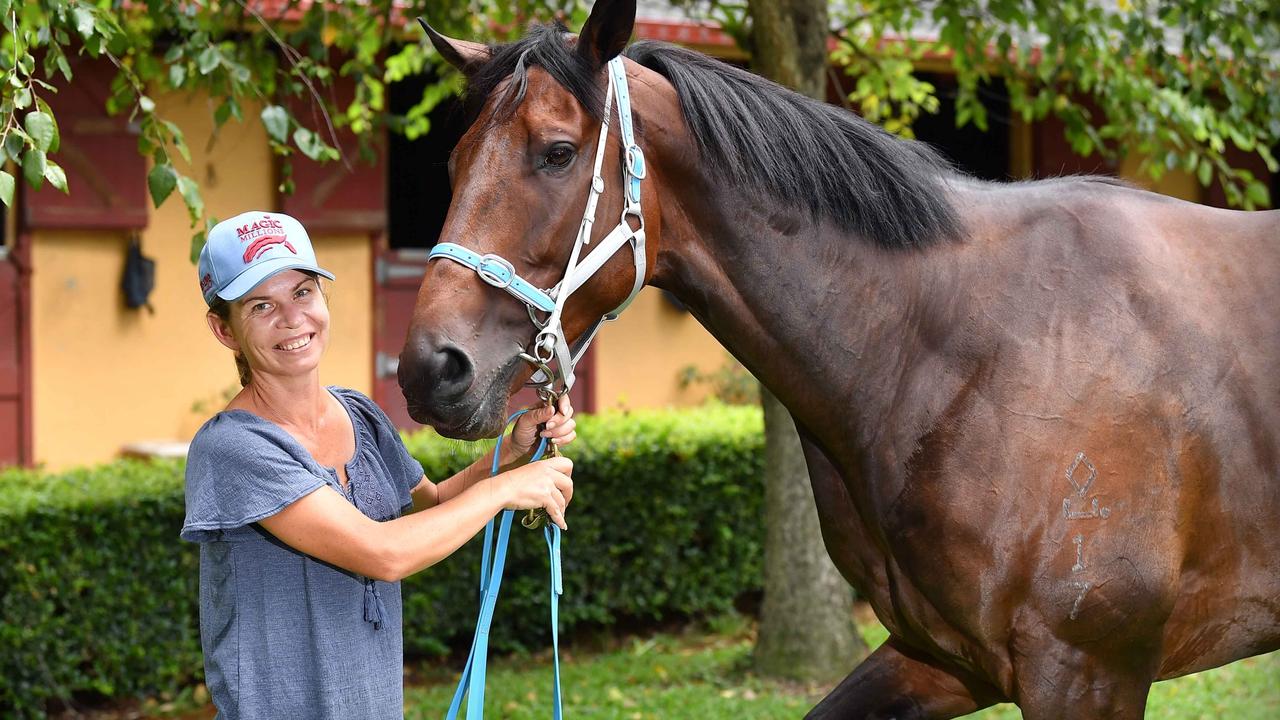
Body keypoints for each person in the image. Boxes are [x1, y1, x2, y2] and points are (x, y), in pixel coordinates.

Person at [180, 210, 576, 719]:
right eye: (261, 305)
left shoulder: (359, 415)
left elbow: (426, 507)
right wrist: (505, 491)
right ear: (224, 329)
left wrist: (510, 452)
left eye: (303, 292)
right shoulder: (233, 448)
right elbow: (384, 553)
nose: (292, 319)